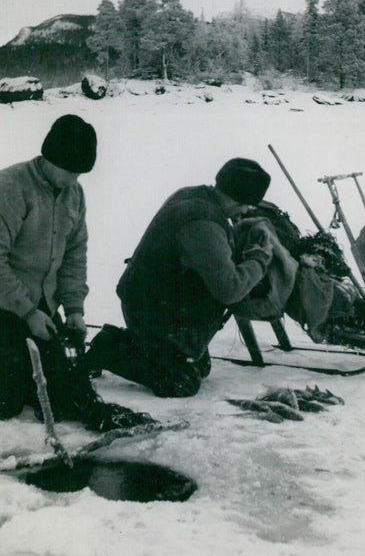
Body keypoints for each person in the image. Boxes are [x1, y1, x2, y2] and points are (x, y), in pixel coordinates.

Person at [0, 114, 150, 432]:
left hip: (39, 306)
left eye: (80, 173)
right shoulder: (6, 189)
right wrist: (28, 312)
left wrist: (74, 308)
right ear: (49, 156)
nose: (73, 180)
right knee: (1, 403)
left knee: (62, 394)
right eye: (69, 170)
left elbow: (75, 254)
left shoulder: (73, 194)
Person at [85, 158, 278, 397]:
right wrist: (260, 259)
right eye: (247, 204)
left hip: (156, 300)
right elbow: (229, 289)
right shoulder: (201, 222)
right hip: (151, 312)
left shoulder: (194, 196)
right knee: (181, 381)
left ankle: (142, 347)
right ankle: (108, 348)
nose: (247, 211)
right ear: (235, 198)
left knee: (200, 367)